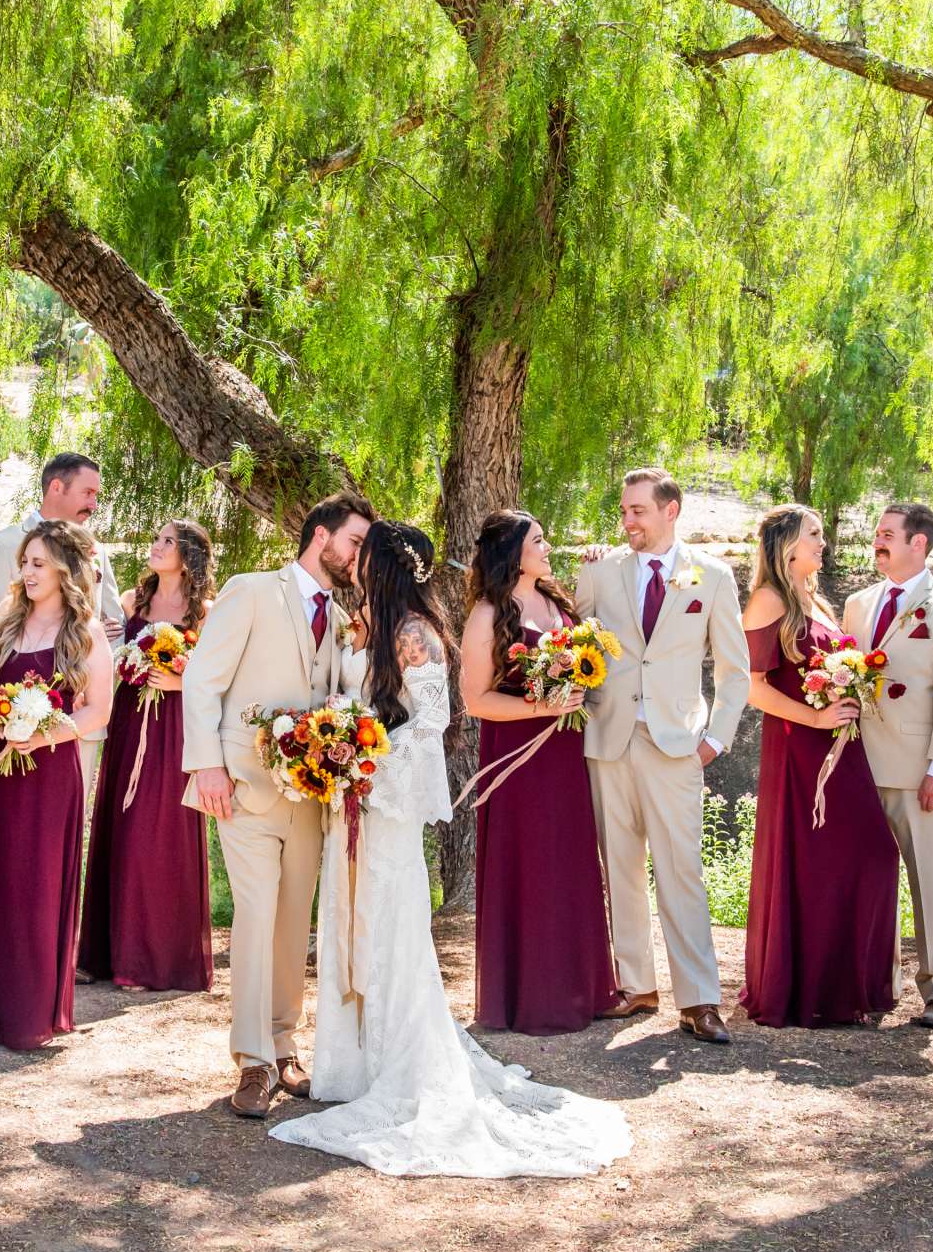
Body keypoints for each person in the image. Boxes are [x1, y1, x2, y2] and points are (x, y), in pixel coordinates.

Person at [267, 521, 633, 1178]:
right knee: (351, 924)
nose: (350, 559)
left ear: (380, 563)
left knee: (390, 926)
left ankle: (397, 1062)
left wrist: (367, 761)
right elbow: (354, 704)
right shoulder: (365, 625)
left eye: (362, 551)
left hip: (387, 802)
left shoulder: (412, 631)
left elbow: (432, 720)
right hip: (351, 803)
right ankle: (353, 1065)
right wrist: (328, 746)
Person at [182, 491, 370, 1118]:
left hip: (313, 795)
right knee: (257, 916)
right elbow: (204, 678)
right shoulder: (252, 590)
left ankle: (285, 1042)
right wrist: (206, 763)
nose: (358, 557)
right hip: (243, 784)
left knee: (295, 921)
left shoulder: (343, 618)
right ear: (321, 537)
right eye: (354, 543)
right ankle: (253, 1061)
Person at [572, 468, 748, 1043]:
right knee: (619, 867)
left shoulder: (713, 577)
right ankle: (636, 986)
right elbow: (571, 642)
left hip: (677, 746)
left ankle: (698, 999)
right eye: (623, 511)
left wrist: (714, 741)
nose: (627, 522)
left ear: (671, 511)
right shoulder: (600, 571)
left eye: (638, 512)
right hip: (609, 741)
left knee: (682, 871)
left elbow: (733, 670)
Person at [0, 520, 115, 1048]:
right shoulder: (7, 619)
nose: (27, 572)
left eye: (39, 563)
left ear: (66, 569)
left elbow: (97, 711)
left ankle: (28, 1009)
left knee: (35, 882)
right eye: (25, 562)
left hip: (48, 774)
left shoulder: (83, 633)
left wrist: (42, 736)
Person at [738, 506, 902, 1028]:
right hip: (800, 749)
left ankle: (838, 985)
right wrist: (815, 715)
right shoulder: (769, 600)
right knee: (821, 861)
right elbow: (753, 687)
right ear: (787, 544)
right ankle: (808, 988)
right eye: (814, 535)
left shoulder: (818, 600)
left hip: (842, 744)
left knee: (868, 854)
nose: (822, 544)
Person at [457, 511, 615, 1035]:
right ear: (512, 552)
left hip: (565, 754)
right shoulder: (488, 614)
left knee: (568, 862)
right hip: (518, 758)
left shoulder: (558, 599)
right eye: (538, 541)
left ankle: (578, 987)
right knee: (529, 864)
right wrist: (543, 708)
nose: (547, 548)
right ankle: (527, 996)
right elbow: (476, 700)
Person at [839, 502, 933, 1028]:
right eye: (877, 533)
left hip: (917, 767)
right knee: (867, 878)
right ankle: (877, 980)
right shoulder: (857, 604)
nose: (878, 542)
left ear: (918, 543)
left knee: (930, 880)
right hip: (856, 762)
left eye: (887, 534)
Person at [78, 519, 217, 993]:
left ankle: (156, 957)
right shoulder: (131, 603)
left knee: (160, 834)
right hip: (131, 720)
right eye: (156, 540)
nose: (156, 547)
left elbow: (221, 675)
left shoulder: (206, 613)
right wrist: (126, 658)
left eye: (168, 542)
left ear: (190, 555)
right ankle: (110, 952)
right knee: (125, 826)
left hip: (176, 729)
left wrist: (181, 681)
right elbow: (109, 660)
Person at [0, 452, 123, 640]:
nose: (94, 505)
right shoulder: (0, 547)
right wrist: (82, 637)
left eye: (96, 495)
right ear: (56, 487)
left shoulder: (96, 549)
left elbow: (115, 624)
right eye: (87, 493)